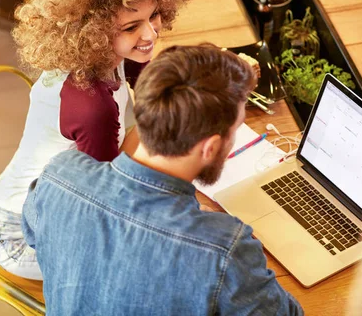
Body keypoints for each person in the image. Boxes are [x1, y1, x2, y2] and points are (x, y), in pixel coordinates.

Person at [22, 45, 304, 315]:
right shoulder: (224, 249)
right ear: (209, 147)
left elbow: (37, 234)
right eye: (234, 131)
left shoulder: (59, 175)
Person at [0, 0, 194, 280]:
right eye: (131, 26)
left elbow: (156, 88)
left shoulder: (108, 51)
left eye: (154, 15)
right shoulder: (94, 107)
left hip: (36, 198)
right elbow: (105, 202)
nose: (150, 34)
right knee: (158, 267)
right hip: (19, 235)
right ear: (94, 28)